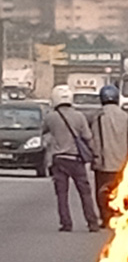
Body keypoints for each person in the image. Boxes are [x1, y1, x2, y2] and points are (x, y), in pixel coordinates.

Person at [43, 85, 100, 232]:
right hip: (76, 160)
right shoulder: (79, 116)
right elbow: (88, 137)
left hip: (59, 160)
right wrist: (94, 154)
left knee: (62, 194)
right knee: (85, 193)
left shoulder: (51, 117)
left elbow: (43, 132)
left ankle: (66, 223)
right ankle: (92, 222)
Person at [90, 84, 128, 227]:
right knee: (123, 190)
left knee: (102, 192)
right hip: (123, 163)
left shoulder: (99, 117)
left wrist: (95, 157)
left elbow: (94, 139)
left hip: (104, 163)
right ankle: (121, 215)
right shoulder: (126, 117)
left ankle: (106, 218)